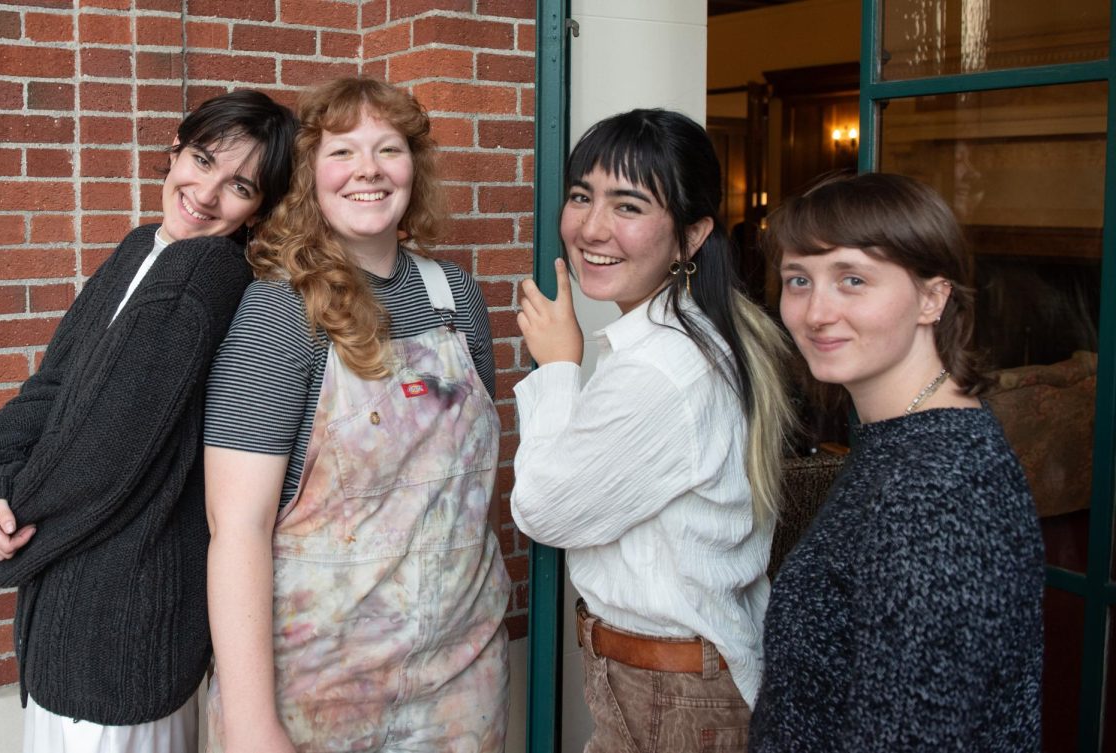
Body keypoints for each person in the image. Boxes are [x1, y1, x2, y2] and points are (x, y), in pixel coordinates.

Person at [0, 89, 298, 753]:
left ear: (260, 207)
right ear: (174, 150)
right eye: (201, 159)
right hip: (78, 621)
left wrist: (9, 519)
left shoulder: (203, 277)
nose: (205, 191)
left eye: (240, 185)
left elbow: (99, 456)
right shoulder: (146, 247)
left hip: (121, 631)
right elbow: (50, 386)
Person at [202, 76, 510, 753]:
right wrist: (255, 726)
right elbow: (237, 526)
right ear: (311, 174)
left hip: (462, 681)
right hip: (318, 690)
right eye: (342, 152)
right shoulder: (280, 313)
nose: (367, 170)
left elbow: (468, 490)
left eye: (388, 149)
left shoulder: (457, 296)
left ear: (415, 168)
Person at [510, 108, 794, 753]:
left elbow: (543, 512)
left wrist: (558, 367)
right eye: (582, 196)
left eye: (629, 206)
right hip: (675, 677)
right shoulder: (698, 332)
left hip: (673, 692)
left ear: (691, 236)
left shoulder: (663, 368)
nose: (591, 227)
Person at [749, 172, 1043, 751]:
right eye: (798, 280)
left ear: (933, 298)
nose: (815, 313)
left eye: (852, 279)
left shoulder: (936, 490)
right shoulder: (903, 442)